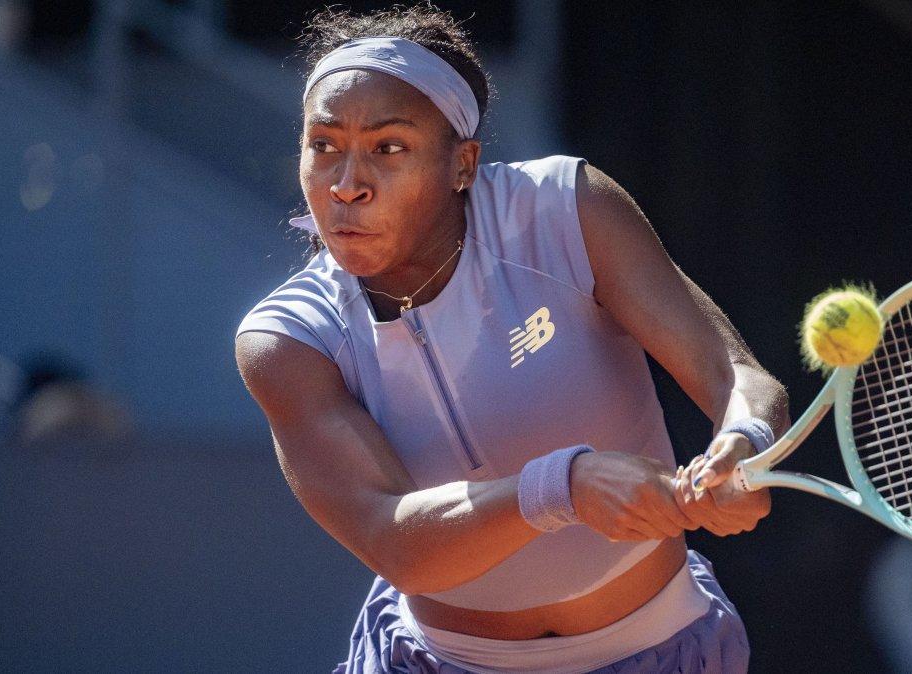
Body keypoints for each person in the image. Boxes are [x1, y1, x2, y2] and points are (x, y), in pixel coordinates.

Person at [233, 6, 789, 673]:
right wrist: (565, 486)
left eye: (388, 148)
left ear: (462, 164)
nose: (347, 185)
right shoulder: (288, 339)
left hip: (658, 652)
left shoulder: (566, 210)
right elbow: (394, 541)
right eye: (324, 145)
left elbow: (740, 379)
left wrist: (745, 446)